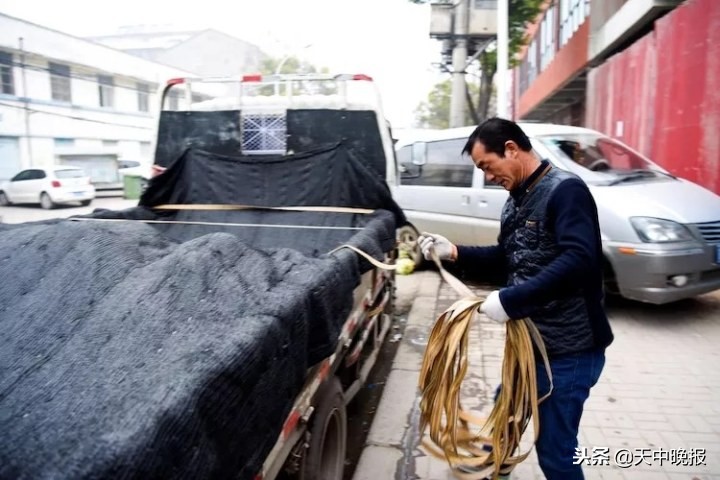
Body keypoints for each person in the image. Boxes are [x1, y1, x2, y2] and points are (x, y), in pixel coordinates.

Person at [418, 118, 614, 480]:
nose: (488, 176)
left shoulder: (566, 191)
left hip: (568, 352)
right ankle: (494, 466)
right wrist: (454, 252)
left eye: (487, 166)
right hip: (529, 347)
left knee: (556, 451)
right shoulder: (515, 201)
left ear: (511, 149)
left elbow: (580, 261)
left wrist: (512, 300)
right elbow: (507, 257)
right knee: (505, 412)